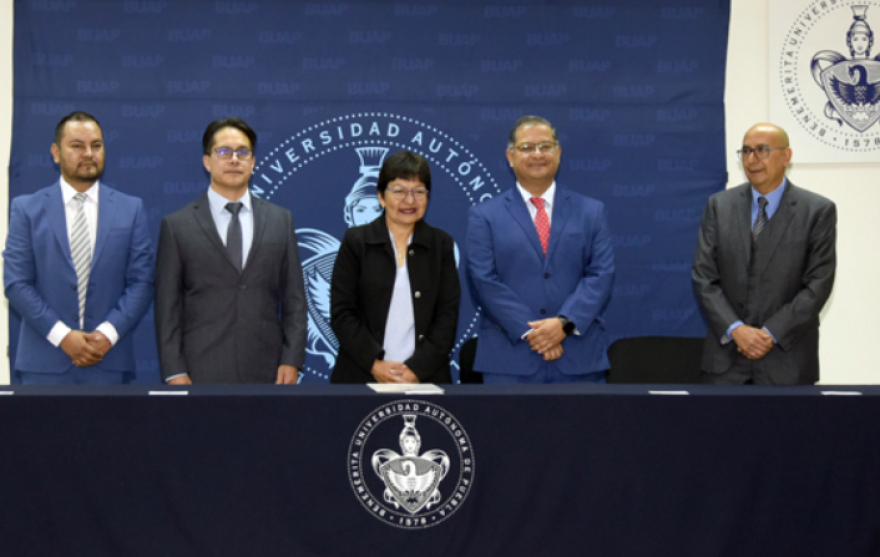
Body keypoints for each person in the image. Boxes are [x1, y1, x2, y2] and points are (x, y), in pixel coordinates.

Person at [3, 111, 153, 384]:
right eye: (77, 146)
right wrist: (63, 336)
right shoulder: (26, 209)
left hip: (108, 361)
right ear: (56, 152)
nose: (88, 153)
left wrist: (107, 334)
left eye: (96, 145)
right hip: (44, 366)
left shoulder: (131, 209)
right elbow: (16, 283)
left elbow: (141, 282)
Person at [154, 117, 307, 384]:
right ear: (207, 161)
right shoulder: (177, 225)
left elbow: (295, 300)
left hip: (268, 370)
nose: (234, 159)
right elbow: (166, 308)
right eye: (224, 151)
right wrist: (175, 371)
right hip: (200, 369)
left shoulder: (280, 220)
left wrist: (292, 359)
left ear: (253, 161)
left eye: (242, 152)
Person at [465, 116, 614, 384]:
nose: (537, 154)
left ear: (558, 153)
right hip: (509, 359)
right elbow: (484, 281)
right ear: (510, 156)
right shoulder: (484, 215)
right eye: (526, 148)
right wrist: (536, 333)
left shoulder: (591, 211)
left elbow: (600, 276)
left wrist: (564, 324)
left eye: (545, 146)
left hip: (579, 358)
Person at [692, 122, 837, 385]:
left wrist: (770, 333)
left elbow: (818, 285)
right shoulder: (719, 206)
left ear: (787, 156)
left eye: (762, 150)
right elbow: (704, 278)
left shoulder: (817, 211)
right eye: (746, 151)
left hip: (787, 362)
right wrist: (736, 329)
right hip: (726, 362)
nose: (752, 159)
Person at [330, 151, 460, 384]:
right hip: (361, 374)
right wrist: (374, 364)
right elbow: (342, 313)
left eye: (419, 192)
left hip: (425, 378)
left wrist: (417, 369)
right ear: (381, 197)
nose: (409, 201)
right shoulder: (356, 241)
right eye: (399, 191)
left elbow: (447, 317)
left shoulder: (441, 245)